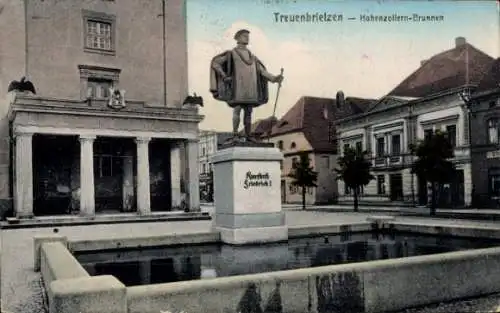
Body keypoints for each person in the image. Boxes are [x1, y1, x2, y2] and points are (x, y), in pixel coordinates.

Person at [210, 29, 284, 142]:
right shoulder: (231, 53)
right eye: (244, 36)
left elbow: (262, 72)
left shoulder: (252, 57)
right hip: (237, 88)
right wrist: (224, 76)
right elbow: (215, 63)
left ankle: (248, 135)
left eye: (248, 36)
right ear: (238, 38)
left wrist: (274, 78)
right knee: (237, 109)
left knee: (249, 112)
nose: (247, 38)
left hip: (251, 88)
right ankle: (235, 134)